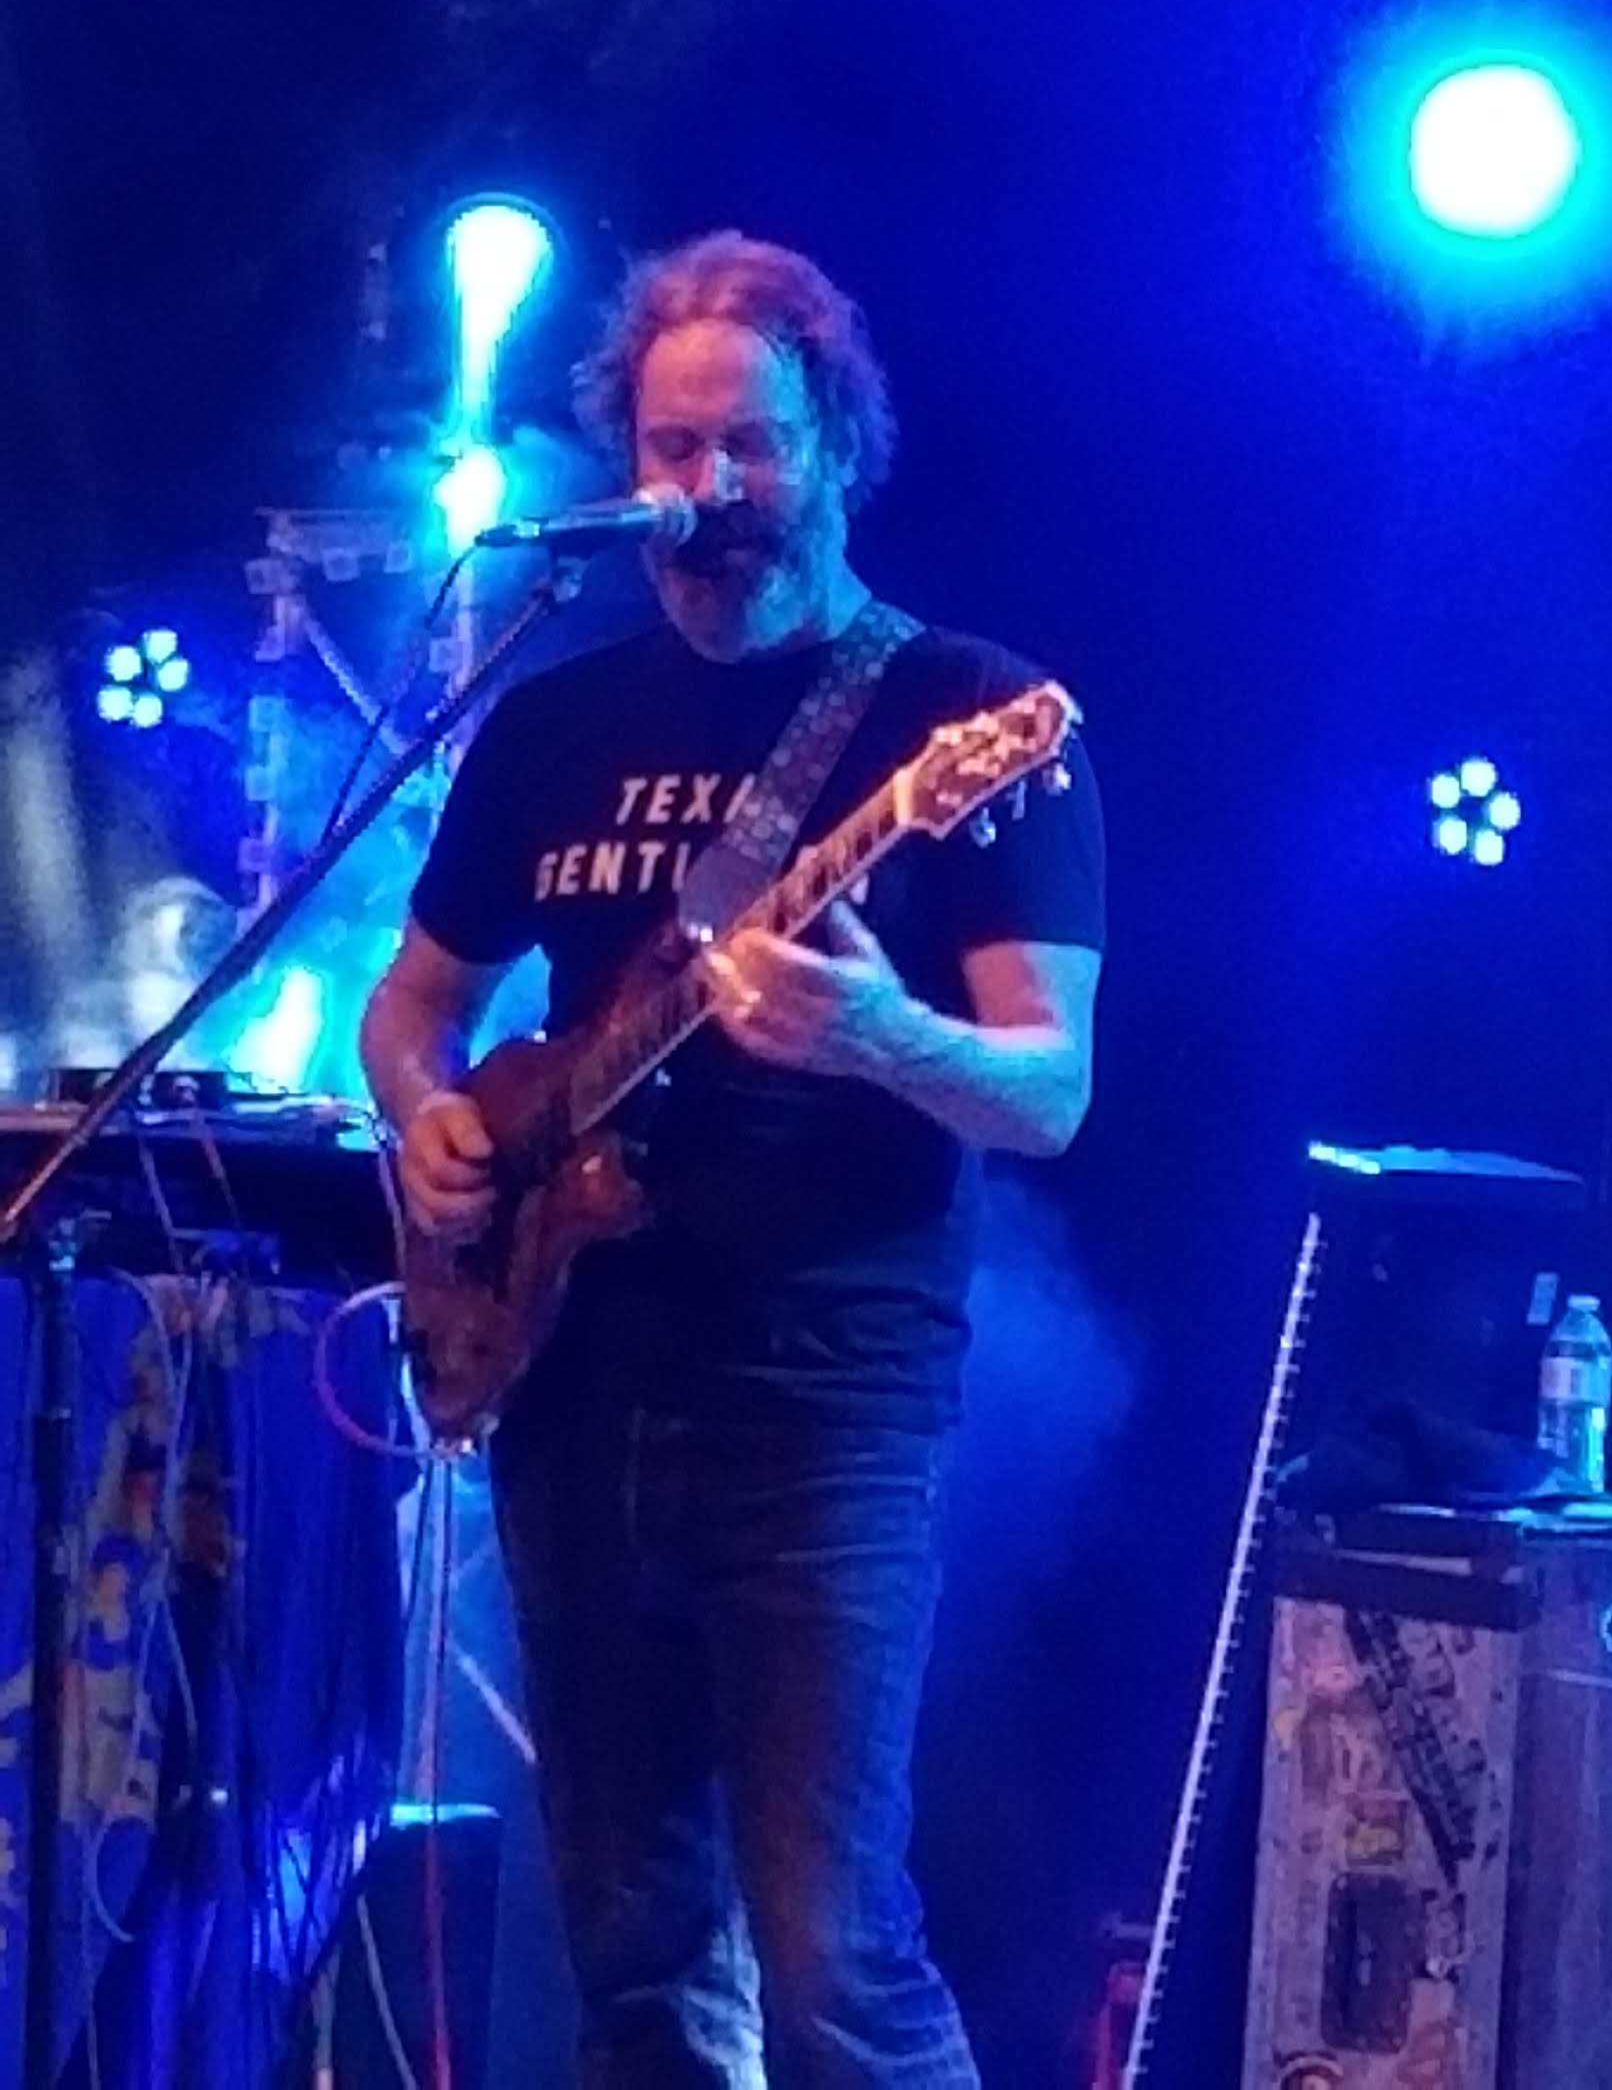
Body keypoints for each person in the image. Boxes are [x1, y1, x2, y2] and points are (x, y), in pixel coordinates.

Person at [362, 230, 1105, 2090]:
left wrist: (876, 1033)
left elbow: (1050, 1090)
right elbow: (412, 1009)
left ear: (835, 444)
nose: (710, 488)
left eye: (753, 445)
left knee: (833, 1949)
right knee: (633, 1948)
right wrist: (425, 1119)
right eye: (674, 449)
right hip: (573, 1385)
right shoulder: (551, 720)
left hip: (822, 1407)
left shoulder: (961, 715)